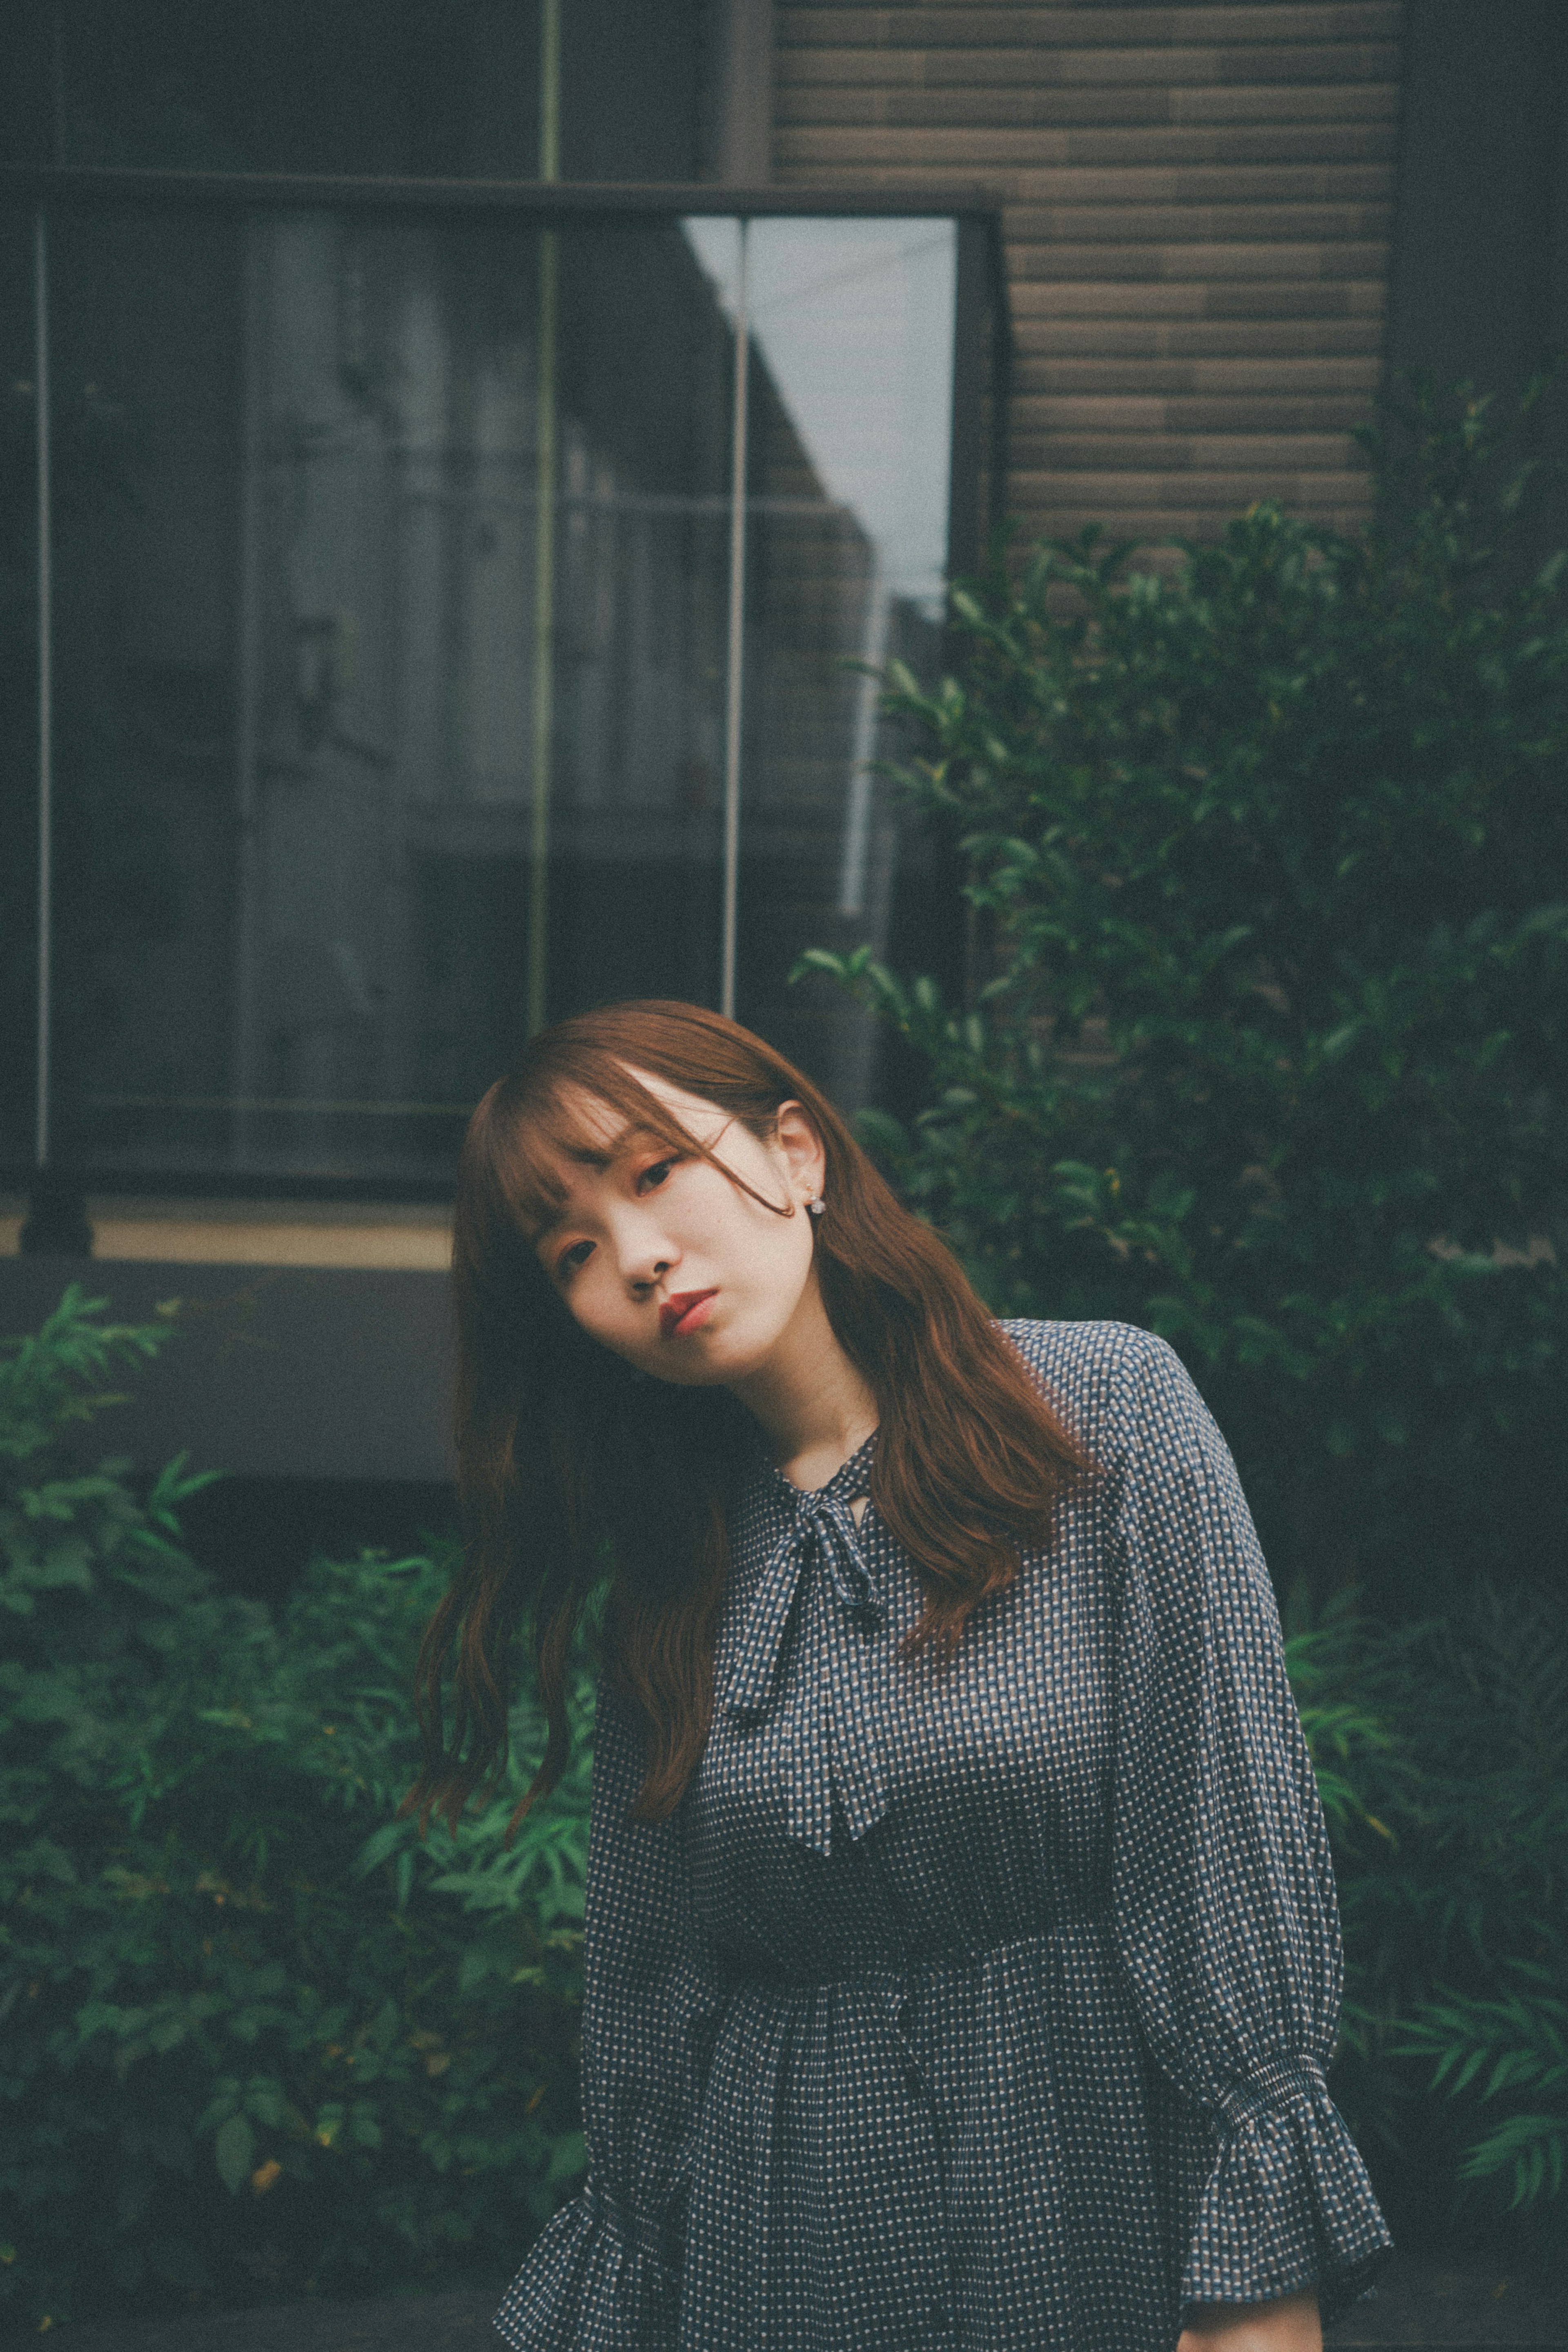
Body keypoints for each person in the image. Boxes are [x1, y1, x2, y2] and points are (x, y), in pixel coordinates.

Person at [408, 999, 1392, 2352]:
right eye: (575, 1250)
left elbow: (1217, 1850)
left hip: (1079, 2192)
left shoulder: (1102, 1410)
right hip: (775, 2249)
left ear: (797, 1154)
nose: (637, 1257)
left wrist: (1258, 2293)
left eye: (655, 1173)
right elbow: (650, 1991)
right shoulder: (673, 1567)